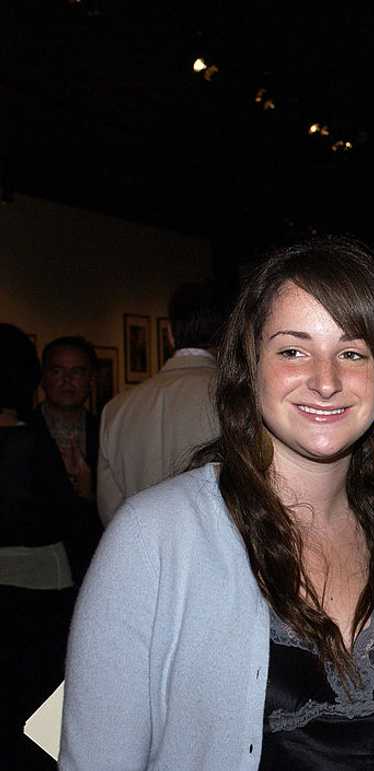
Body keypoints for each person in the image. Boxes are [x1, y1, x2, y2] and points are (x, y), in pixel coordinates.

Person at [62, 237, 374, 769]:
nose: (326, 381)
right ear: (250, 367)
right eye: (293, 350)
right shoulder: (155, 536)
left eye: (352, 352)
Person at [0, 324, 85, 769]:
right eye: (54, 371)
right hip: (42, 590)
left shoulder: (107, 421)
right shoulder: (28, 439)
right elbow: (62, 518)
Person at [97, 280, 223, 523]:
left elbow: (111, 513)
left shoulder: (116, 409)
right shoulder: (240, 397)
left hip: (142, 551)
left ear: (168, 333)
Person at [34, 336, 99, 502]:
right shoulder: (22, 431)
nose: (67, 380)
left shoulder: (107, 433)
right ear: (43, 378)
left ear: (91, 380)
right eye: (57, 371)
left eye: (76, 372)